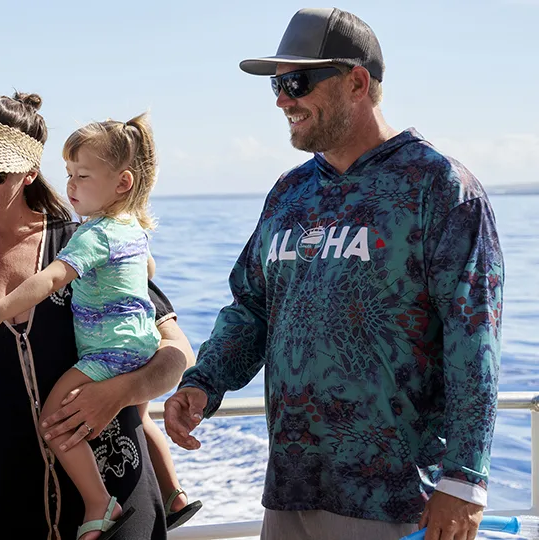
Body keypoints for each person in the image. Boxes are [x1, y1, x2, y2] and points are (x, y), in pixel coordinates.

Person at [164, 8, 503, 540]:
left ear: (357, 82)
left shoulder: (438, 187)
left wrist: (464, 481)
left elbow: (474, 339)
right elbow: (252, 306)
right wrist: (205, 383)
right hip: (290, 489)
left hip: (394, 500)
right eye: (277, 84)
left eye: (296, 82)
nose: (281, 99)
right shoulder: (288, 192)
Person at [0, 92, 195, 539]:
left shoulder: (90, 241)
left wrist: (120, 392)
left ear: (30, 172)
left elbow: (176, 353)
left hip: (119, 507)